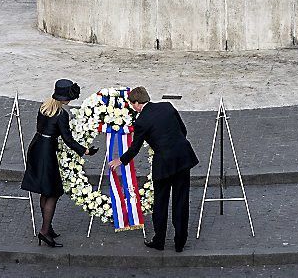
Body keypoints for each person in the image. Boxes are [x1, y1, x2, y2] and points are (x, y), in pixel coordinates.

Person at [109, 86, 198, 252]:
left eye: (132, 104)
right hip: (183, 158)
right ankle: (180, 242)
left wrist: (120, 160)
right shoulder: (167, 106)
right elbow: (183, 130)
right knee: (181, 201)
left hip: (163, 164)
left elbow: (135, 147)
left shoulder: (142, 121)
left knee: (161, 203)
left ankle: (160, 240)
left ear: (137, 103)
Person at [21, 79, 98, 247]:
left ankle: (47, 227)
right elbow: (68, 139)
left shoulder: (44, 107)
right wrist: (85, 150)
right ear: (64, 98)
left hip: (36, 148)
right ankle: (44, 231)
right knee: (53, 192)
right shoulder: (61, 114)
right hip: (47, 153)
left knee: (44, 190)